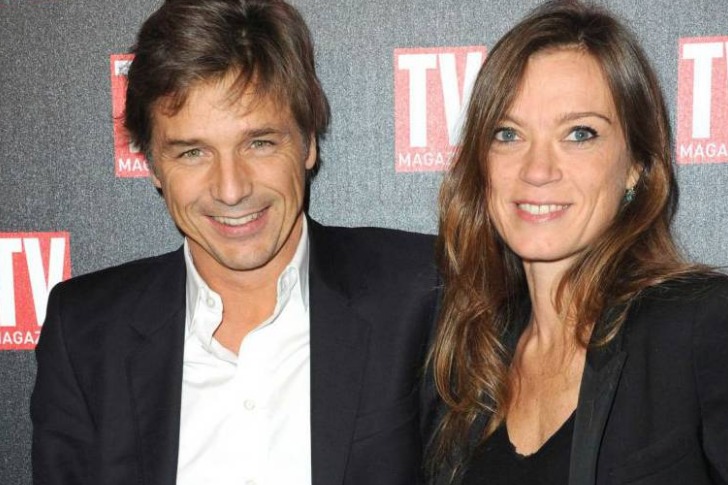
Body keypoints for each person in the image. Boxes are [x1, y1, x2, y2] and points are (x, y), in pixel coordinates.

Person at [31, 1, 439, 484]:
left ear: (308, 142)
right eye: (192, 152)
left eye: (259, 143)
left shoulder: (423, 295)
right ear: (153, 165)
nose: (231, 189)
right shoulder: (85, 332)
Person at [426, 1, 728, 484]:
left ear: (636, 165)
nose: (537, 170)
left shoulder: (701, 326)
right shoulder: (464, 361)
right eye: (508, 134)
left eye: (579, 133)